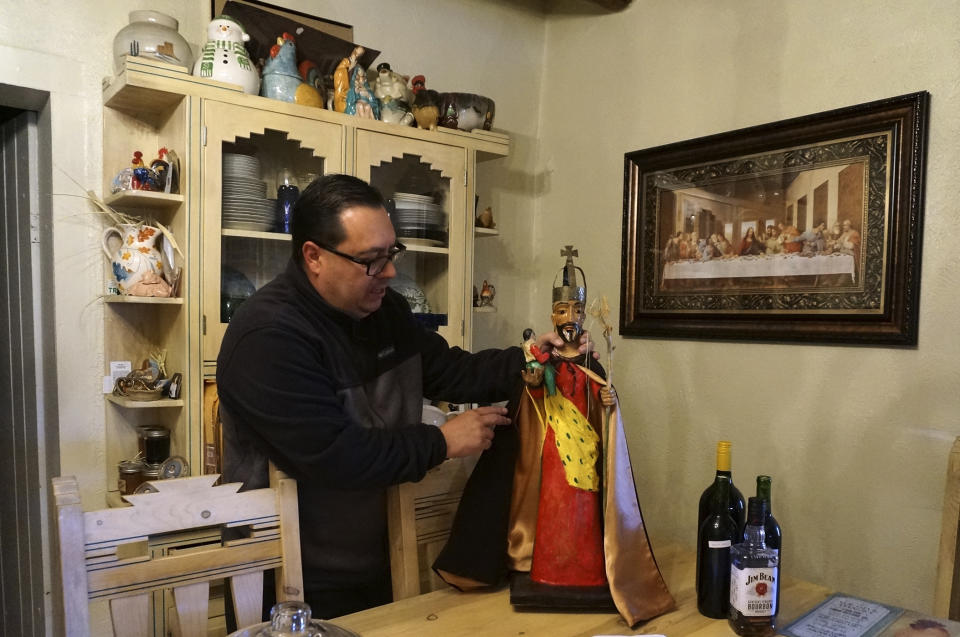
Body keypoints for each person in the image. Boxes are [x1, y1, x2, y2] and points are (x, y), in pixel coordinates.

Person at [216, 174, 577, 621]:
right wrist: (441, 441)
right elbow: (334, 455)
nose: (389, 272)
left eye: (392, 253)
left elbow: (451, 370)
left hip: (374, 565)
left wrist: (535, 359)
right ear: (314, 256)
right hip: (285, 584)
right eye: (371, 260)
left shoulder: (385, 312)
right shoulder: (268, 336)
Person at [434, 247, 675, 627]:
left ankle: (584, 570)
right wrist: (531, 373)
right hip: (550, 450)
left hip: (584, 449)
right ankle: (545, 567)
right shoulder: (543, 358)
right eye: (563, 312)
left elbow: (599, 396)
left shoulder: (590, 360)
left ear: (582, 317)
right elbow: (531, 390)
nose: (570, 319)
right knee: (548, 509)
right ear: (553, 317)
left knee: (582, 512)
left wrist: (608, 400)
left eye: (576, 313)